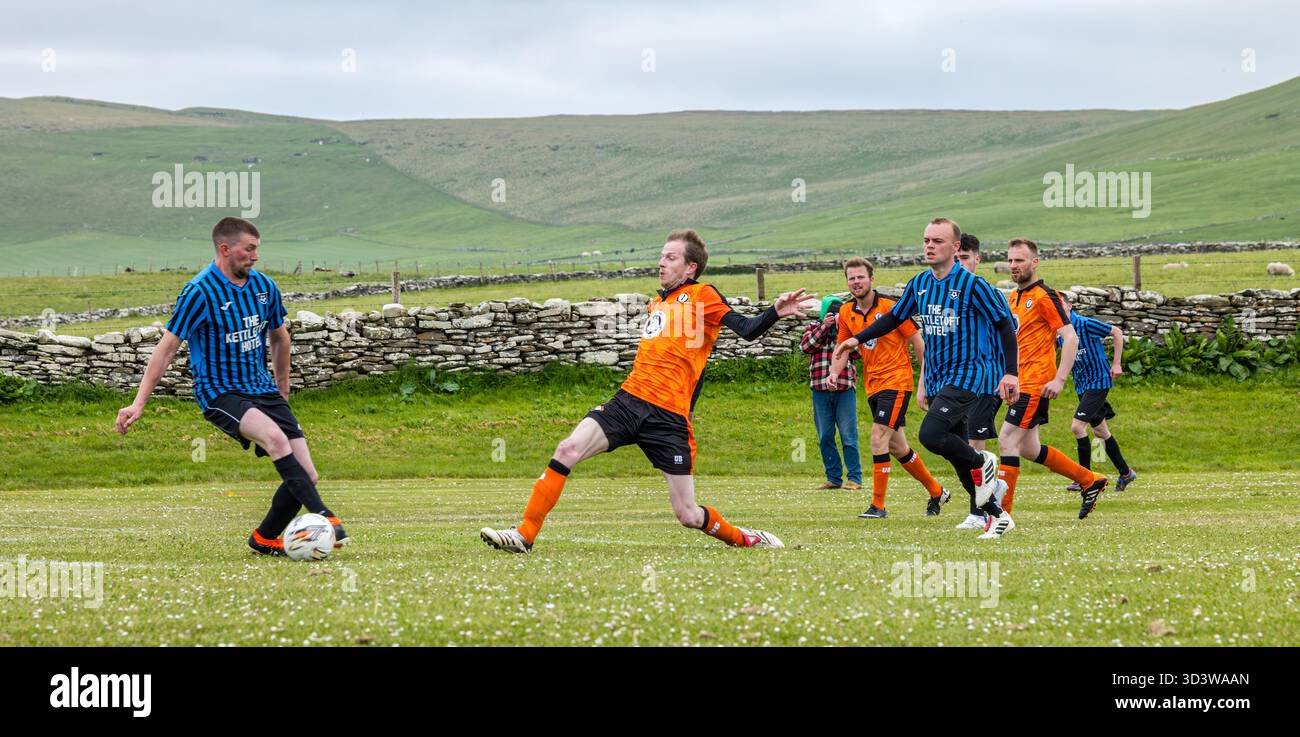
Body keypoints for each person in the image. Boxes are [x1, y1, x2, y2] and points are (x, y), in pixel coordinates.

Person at [480, 229, 809, 553]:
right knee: (567, 449)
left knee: (688, 515)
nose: (661, 262)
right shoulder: (657, 303)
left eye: (670, 257)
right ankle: (524, 535)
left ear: (690, 267)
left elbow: (746, 330)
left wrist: (774, 313)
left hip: (668, 418)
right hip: (628, 402)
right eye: (661, 255)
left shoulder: (703, 296)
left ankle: (746, 538)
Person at [115, 217, 349, 556]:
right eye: (249, 249)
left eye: (257, 249)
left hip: (262, 388)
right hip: (220, 392)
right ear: (225, 249)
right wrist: (138, 404)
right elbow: (166, 349)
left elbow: (279, 337)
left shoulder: (264, 287)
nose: (255, 257)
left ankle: (265, 539)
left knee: (306, 475)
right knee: (274, 439)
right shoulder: (199, 292)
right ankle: (325, 517)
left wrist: (282, 391)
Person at [834, 218, 1019, 539]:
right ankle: (995, 514)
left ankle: (985, 464)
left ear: (955, 247)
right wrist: (857, 339)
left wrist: (1011, 372)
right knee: (956, 450)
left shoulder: (974, 286)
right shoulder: (920, 283)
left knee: (932, 436)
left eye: (937, 240)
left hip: (973, 375)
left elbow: (1004, 324)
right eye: (926, 240)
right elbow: (894, 317)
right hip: (940, 378)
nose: (929, 246)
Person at [826, 258, 950, 519]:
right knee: (897, 447)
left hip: (896, 382)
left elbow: (918, 342)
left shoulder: (891, 307)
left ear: (872, 279)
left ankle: (878, 505)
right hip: (873, 386)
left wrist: (925, 381)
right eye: (851, 278)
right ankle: (936, 490)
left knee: (877, 437)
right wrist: (833, 374)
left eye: (861, 277)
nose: (856, 282)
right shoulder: (846, 313)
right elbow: (843, 348)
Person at [994, 238, 1108, 520]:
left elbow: (1070, 337)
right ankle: (1089, 479)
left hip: (1036, 383)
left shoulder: (1045, 296)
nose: (1013, 266)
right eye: (1010, 260)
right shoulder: (1014, 297)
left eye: (1019, 260)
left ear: (1034, 262)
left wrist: (1059, 379)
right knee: (1029, 448)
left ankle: (1001, 516)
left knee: (1007, 440)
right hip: (1021, 382)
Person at [951, 231, 1004, 529]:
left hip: (988, 380)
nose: (960, 264)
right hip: (962, 381)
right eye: (956, 259)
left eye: (965, 259)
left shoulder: (986, 292)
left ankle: (979, 511)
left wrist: (1009, 374)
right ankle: (991, 493)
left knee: (975, 444)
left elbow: (1009, 332)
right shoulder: (952, 296)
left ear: (977, 259)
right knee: (958, 445)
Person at [1060, 308, 1137, 492]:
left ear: (1068, 307)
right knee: (1101, 431)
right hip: (1082, 386)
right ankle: (1126, 473)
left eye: (1060, 304)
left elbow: (1116, 332)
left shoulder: (1085, 324)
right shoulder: (1061, 331)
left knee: (1077, 427)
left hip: (1098, 382)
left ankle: (1084, 479)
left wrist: (1117, 363)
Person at [800, 294, 862, 491]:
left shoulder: (848, 331)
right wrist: (825, 327)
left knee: (848, 435)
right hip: (819, 388)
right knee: (825, 435)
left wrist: (840, 330)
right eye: (830, 313)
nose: (832, 316)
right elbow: (806, 347)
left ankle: (855, 478)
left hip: (845, 388)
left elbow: (858, 353)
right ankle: (833, 478)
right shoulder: (813, 329)